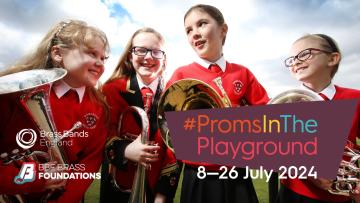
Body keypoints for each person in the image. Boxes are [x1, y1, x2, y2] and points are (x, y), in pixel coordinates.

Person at [166, 4, 269, 203]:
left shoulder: (242, 73)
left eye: (201, 24)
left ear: (223, 30)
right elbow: (169, 129)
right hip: (198, 176)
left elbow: (266, 116)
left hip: (237, 174)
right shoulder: (181, 75)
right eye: (188, 30)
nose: (194, 33)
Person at [0, 19, 109, 202]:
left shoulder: (99, 108)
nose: (100, 63)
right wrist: (36, 178)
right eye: (92, 53)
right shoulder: (12, 93)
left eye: (103, 58)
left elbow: (89, 163)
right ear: (58, 53)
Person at [277, 34, 360, 203]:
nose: (296, 62)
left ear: (332, 59)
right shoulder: (286, 102)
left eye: (305, 54)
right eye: (291, 59)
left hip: (341, 197)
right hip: (294, 194)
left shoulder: (356, 98)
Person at [100, 27, 179, 203]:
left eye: (156, 52)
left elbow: (174, 150)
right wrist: (126, 150)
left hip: (157, 192)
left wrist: (162, 196)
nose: (149, 57)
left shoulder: (174, 95)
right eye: (141, 50)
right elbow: (101, 135)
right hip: (118, 189)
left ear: (164, 59)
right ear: (130, 55)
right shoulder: (111, 89)